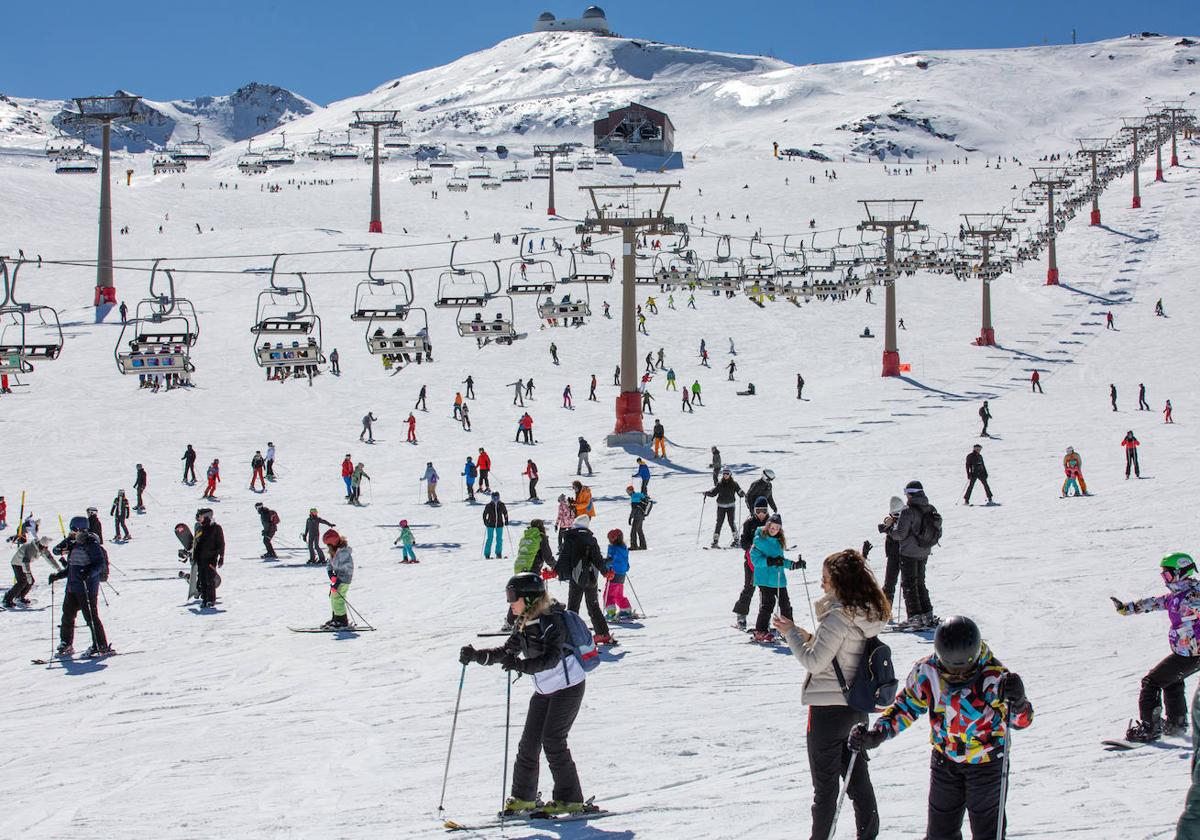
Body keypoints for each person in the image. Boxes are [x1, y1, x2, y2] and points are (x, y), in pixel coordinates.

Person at [849, 616, 1033, 840]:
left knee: (987, 833)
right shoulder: (928, 671)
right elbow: (906, 705)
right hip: (945, 761)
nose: (957, 677)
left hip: (986, 764)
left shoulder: (994, 676)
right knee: (939, 834)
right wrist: (877, 734)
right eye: (950, 670)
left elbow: (1021, 721)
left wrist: (1019, 701)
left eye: (965, 672)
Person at [774, 548, 888, 840]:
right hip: (855, 706)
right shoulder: (865, 613)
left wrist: (790, 635)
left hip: (826, 711)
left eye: (826, 578)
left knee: (825, 789)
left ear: (839, 581)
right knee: (858, 781)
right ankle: (868, 835)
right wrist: (804, 634)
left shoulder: (837, 617)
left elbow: (814, 661)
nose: (822, 583)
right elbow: (840, 652)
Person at [458, 573, 592, 817]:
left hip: (568, 687)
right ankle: (523, 798)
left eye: (513, 596)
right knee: (529, 743)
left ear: (528, 597)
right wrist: (476, 655)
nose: (510, 601)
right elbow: (506, 651)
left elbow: (551, 659)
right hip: (544, 689)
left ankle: (569, 799)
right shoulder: (524, 622)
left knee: (553, 740)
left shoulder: (552, 621)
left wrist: (520, 666)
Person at [1112, 552, 1200, 742]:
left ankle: (1149, 729)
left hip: (1193, 653)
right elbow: (1154, 603)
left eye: (1167, 575)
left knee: (1151, 682)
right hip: (1186, 653)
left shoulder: (1194, 595)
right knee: (1171, 680)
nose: (1165, 579)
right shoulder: (1177, 595)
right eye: (1163, 575)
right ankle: (1176, 723)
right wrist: (1126, 608)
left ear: (1180, 573)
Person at [48, 516, 111, 656]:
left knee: (91, 617)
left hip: (86, 588)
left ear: (79, 529)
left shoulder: (91, 543)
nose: (71, 533)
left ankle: (100, 645)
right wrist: (57, 576)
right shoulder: (75, 544)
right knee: (67, 617)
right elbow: (73, 568)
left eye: (72, 530)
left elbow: (100, 564)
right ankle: (66, 643)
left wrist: (88, 573)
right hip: (72, 587)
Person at [553, 516, 613, 644]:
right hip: (591, 578)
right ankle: (603, 634)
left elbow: (564, 557)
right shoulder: (591, 540)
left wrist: (555, 571)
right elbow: (598, 558)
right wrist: (605, 572)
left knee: (573, 607)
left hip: (576, 577)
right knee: (593, 606)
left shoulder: (571, 538)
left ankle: (570, 636)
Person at [890, 480, 938, 630]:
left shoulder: (908, 511)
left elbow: (900, 534)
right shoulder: (930, 508)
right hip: (924, 550)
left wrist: (888, 530)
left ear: (910, 494)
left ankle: (914, 617)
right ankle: (927, 613)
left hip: (909, 552)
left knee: (909, 584)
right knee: (920, 582)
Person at [750, 513, 798, 642]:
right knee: (768, 604)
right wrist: (770, 561)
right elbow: (755, 560)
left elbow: (780, 560)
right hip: (765, 579)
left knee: (785, 604)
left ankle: (788, 630)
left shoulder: (778, 541)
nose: (774, 530)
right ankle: (761, 631)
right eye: (772, 527)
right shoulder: (759, 540)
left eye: (777, 528)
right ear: (768, 525)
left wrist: (794, 565)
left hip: (778, 578)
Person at [733, 498, 770, 630]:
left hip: (766, 562)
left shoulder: (770, 522)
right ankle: (741, 615)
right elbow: (743, 542)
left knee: (765, 589)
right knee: (749, 587)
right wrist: (751, 546)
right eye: (758, 511)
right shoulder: (749, 523)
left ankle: (764, 619)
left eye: (764, 511)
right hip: (751, 561)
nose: (761, 514)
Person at [4, 534, 58, 609]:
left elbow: (50, 558)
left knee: (30, 581)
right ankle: (7, 599)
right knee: (23, 581)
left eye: (46, 547)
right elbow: (25, 563)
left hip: (23, 564)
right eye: (44, 547)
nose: (45, 549)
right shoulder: (31, 549)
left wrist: (58, 568)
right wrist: (28, 575)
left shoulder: (43, 549)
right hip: (17, 563)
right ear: (40, 545)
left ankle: (20, 597)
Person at [191, 508, 225, 609]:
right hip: (201, 559)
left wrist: (221, 557)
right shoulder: (200, 529)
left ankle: (211, 600)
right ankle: (205, 600)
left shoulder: (216, 528)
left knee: (210, 579)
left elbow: (221, 543)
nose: (198, 519)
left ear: (207, 517)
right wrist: (194, 557)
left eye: (200, 517)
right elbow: (197, 544)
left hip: (211, 558)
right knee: (202, 580)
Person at [321, 529, 354, 630]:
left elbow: (346, 569)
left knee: (338, 598)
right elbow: (330, 564)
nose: (328, 547)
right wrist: (331, 574)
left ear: (333, 542)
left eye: (328, 544)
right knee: (333, 597)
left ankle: (342, 621)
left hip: (344, 579)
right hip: (338, 578)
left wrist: (338, 582)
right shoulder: (334, 551)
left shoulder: (343, 552)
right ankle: (336, 618)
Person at [705, 468, 745, 548]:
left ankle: (737, 540)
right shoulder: (720, 484)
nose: (725, 475)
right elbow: (714, 493)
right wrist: (707, 493)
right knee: (719, 523)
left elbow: (739, 491)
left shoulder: (734, 484)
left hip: (730, 506)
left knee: (731, 523)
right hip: (721, 506)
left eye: (727, 474)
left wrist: (741, 493)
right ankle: (715, 541)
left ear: (730, 475)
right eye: (724, 474)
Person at [877, 496, 904, 614]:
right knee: (889, 583)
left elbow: (896, 535)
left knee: (893, 583)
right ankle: (885, 610)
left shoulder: (906, 520)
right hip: (895, 554)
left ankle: (885, 611)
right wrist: (888, 523)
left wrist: (888, 527)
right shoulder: (893, 520)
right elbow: (881, 527)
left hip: (902, 554)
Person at [604, 529, 634, 620]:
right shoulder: (624, 548)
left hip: (613, 573)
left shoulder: (612, 548)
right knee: (618, 594)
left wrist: (605, 566)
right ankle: (626, 609)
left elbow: (610, 560)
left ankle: (611, 613)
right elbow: (625, 560)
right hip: (622, 574)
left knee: (608, 594)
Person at [483, 492, 509, 559]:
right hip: (490, 524)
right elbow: (484, 514)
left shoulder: (501, 504)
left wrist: (506, 520)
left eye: (497, 498)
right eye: (494, 498)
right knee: (490, 539)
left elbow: (505, 513)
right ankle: (487, 554)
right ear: (491, 498)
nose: (495, 499)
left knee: (499, 539)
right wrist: (485, 521)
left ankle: (498, 553)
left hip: (499, 524)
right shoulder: (489, 505)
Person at [627, 485, 650, 551]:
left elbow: (634, 509)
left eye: (628, 491)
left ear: (631, 490)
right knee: (639, 530)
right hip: (642, 515)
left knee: (633, 531)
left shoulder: (634, 497)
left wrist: (630, 517)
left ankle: (634, 546)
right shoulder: (638, 495)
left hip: (637, 516)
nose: (627, 493)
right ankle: (643, 545)